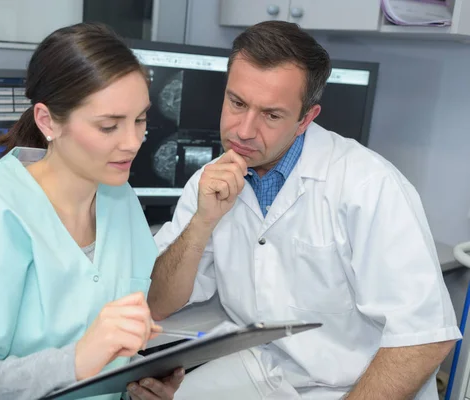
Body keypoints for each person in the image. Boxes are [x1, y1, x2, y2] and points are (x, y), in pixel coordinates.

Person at [148, 20, 461, 400]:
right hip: (262, 370)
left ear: (306, 119)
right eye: (237, 103)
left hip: (356, 387)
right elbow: (159, 303)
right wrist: (201, 222)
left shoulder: (368, 185)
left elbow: (425, 340)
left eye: (271, 115)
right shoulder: (210, 181)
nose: (244, 130)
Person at [0, 23, 183, 400]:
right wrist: (74, 361)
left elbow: (114, 354)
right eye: (109, 126)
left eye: (140, 120)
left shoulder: (120, 202)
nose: (133, 142)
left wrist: (135, 389)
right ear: (47, 121)